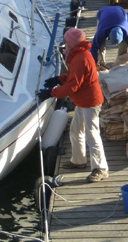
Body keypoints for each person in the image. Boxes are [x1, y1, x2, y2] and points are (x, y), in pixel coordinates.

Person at [38, 28, 108, 183]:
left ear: (71, 44)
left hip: (89, 103)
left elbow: (72, 87)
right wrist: (59, 79)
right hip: (83, 101)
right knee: (75, 131)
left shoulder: (80, 58)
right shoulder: (79, 55)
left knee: (92, 134)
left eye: (66, 42)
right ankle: (78, 161)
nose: (64, 45)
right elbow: (73, 77)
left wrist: (51, 93)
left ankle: (101, 169)